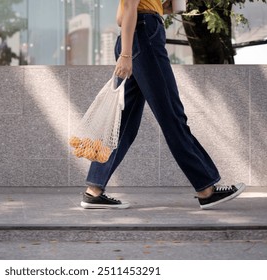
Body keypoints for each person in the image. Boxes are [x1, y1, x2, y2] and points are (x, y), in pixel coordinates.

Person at [80, 0, 246, 210]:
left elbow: (122, 16)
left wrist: (162, 8)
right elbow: (130, 8)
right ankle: (206, 189)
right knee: (172, 116)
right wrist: (126, 55)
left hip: (138, 36)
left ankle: (94, 191)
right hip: (143, 37)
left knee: (123, 124)